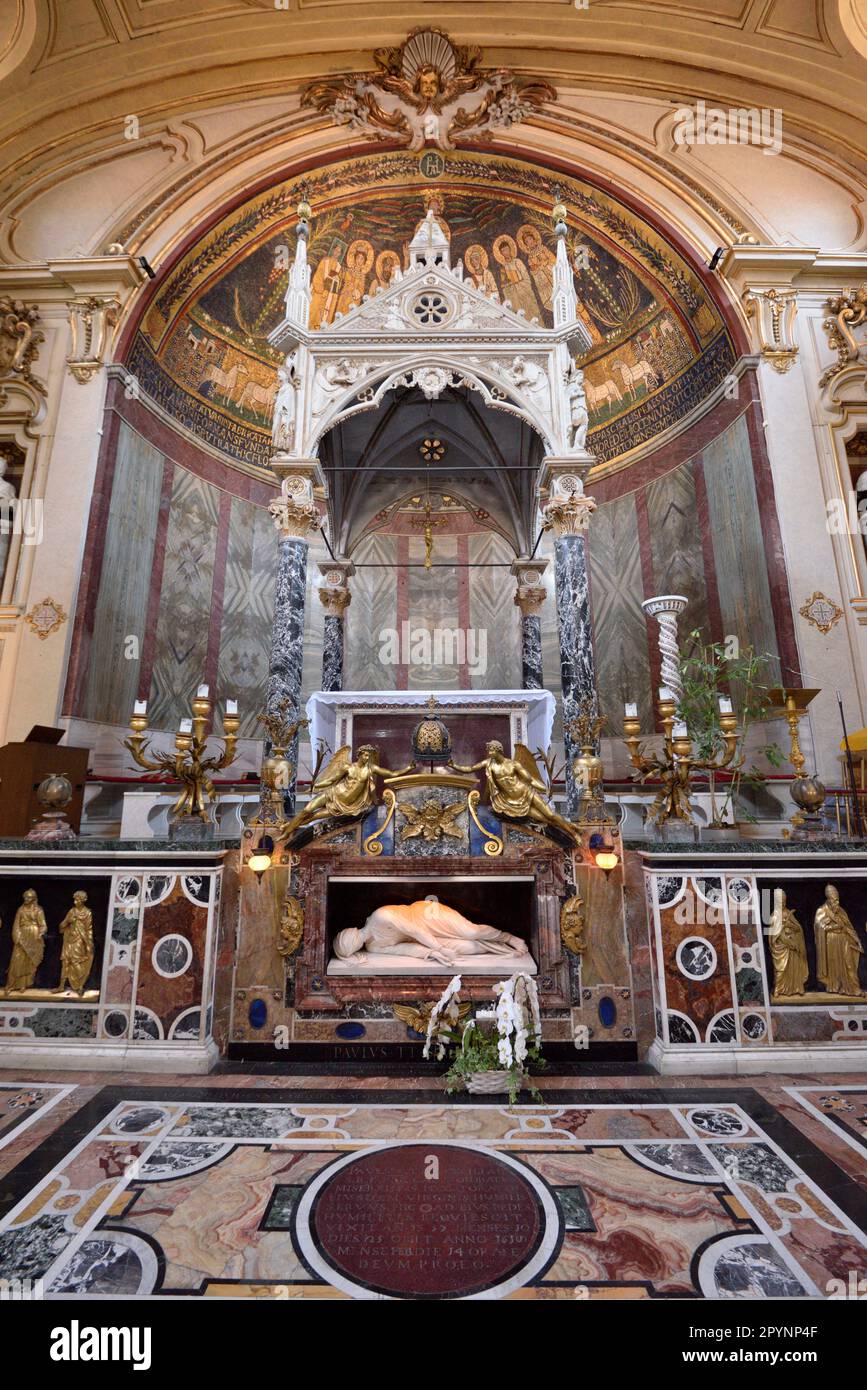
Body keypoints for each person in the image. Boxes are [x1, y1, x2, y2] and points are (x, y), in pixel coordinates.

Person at [334, 897, 525, 965]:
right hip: (424, 941)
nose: (355, 943)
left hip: (426, 916)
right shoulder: (374, 947)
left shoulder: (379, 916)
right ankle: (499, 947)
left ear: (349, 932)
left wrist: (439, 949)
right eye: (351, 948)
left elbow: (415, 930)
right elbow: (407, 949)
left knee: (471, 932)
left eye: (348, 941)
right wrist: (432, 953)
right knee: (471, 947)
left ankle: (508, 937)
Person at [814, 884, 865, 997]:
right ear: (828, 899)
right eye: (834, 900)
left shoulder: (841, 911)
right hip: (831, 942)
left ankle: (854, 988)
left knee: (849, 964)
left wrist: (857, 941)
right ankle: (838, 986)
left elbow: (848, 927)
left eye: (837, 900)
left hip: (844, 940)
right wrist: (835, 926)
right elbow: (819, 929)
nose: (837, 903)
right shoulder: (821, 911)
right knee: (835, 965)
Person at [4, 889, 47, 993]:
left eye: (29, 897)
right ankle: (11, 984)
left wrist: (41, 933)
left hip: (33, 937)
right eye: (25, 897)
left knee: (29, 962)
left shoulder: (38, 910)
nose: (26, 899)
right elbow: (16, 924)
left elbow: (43, 925)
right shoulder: (21, 910)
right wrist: (17, 936)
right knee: (17, 960)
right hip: (22, 936)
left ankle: (23, 985)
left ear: (33, 899)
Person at [767, 888, 808, 998]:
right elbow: (773, 935)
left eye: (784, 901)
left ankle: (797, 987)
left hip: (792, 946)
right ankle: (778, 989)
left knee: (794, 968)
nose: (783, 903)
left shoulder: (788, 913)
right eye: (780, 902)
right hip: (781, 946)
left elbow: (798, 928)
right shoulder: (774, 916)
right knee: (781, 969)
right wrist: (786, 939)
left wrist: (790, 926)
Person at [54, 891, 94, 995]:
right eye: (74, 900)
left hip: (80, 940)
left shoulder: (87, 913)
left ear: (83, 900)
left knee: (76, 962)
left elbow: (89, 929)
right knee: (65, 962)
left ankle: (81, 985)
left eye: (77, 900)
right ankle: (61, 986)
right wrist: (68, 921)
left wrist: (89, 943)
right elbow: (62, 926)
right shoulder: (71, 911)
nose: (75, 902)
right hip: (68, 939)